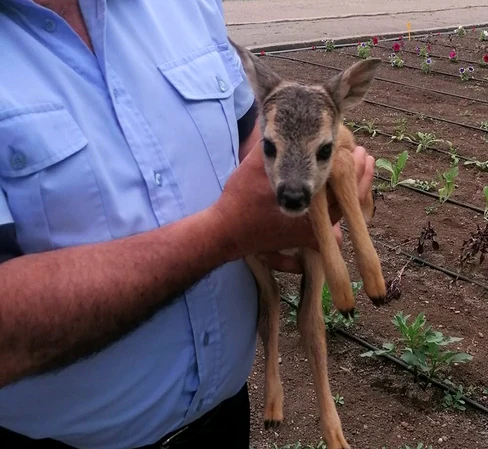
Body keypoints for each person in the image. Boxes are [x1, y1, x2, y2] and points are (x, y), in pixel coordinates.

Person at [0, 1, 375, 448]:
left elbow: (249, 135)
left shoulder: (185, 5)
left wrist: (314, 178)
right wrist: (223, 234)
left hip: (224, 417)